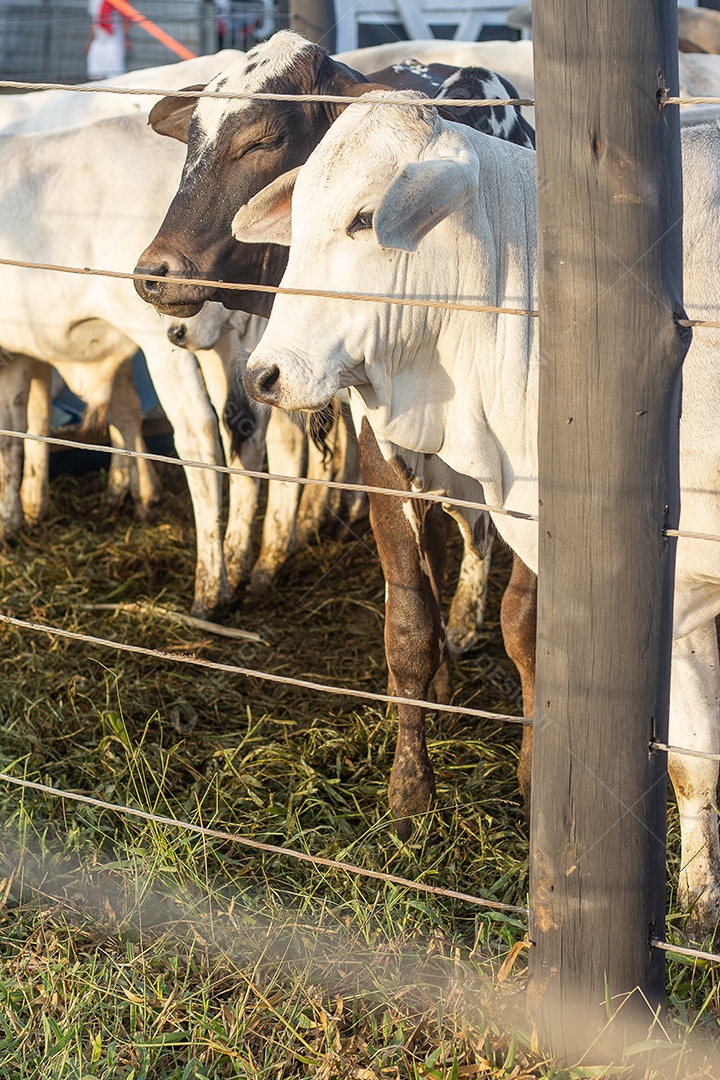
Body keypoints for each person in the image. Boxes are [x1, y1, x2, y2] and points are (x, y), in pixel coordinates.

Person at [85, 0, 131, 81]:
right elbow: (94, 21)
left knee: (115, 73)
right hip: (99, 39)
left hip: (114, 39)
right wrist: (90, 41)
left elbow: (125, 17)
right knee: (96, 72)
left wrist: (126, 38)